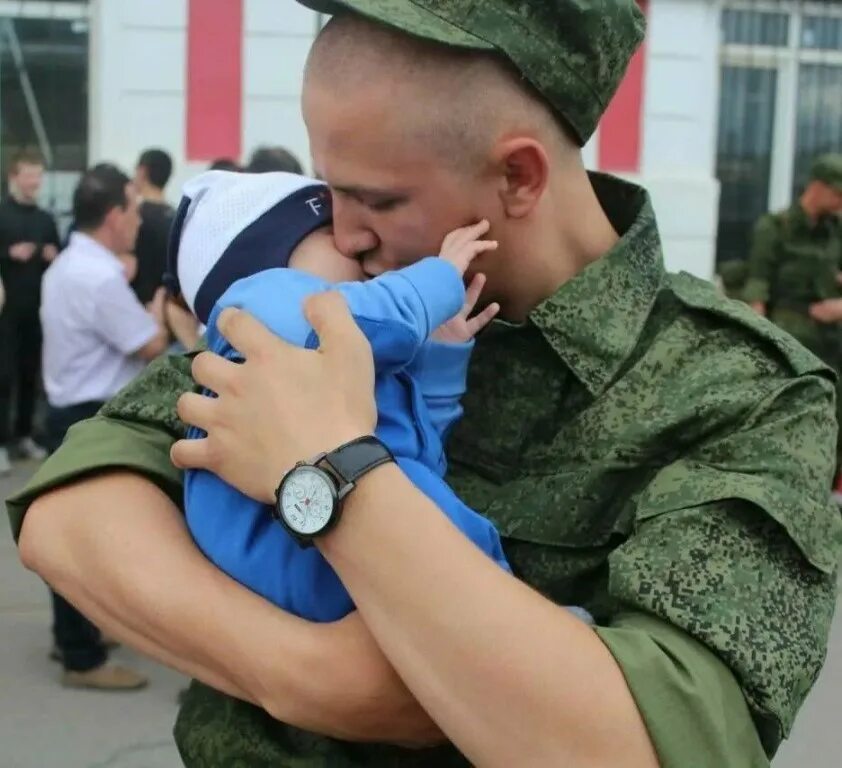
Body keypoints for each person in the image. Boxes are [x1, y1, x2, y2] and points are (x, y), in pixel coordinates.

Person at [8, 3, 841, 766]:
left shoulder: (745, 394)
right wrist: (317, 679)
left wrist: (327, 469)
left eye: (376, 199)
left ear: (518, 177)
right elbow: (71, 518)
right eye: (327, 187)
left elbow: (636, 746)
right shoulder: (333, 297)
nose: (339, 231)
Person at [172, 170, 517, 619]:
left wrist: (439, 356)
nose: (354, 245)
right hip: (297, 552)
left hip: (312, 561)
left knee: (433, 519)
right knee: (454, 542)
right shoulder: (259, 302)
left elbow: (413, 458)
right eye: (328, 233)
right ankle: (517, 627)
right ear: (271, 260)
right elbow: (364, 314)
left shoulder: (331, 362)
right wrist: (438, 278)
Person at [38, 163, 170, 690]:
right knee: (87, 538)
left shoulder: (69, 265)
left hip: (67, 411)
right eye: (134, 208)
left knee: (74, 530)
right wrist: (162, 309)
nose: (139, 218)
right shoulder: (98, 279)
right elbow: (149, 345)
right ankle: (81, 657)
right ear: (114, 215)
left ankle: (73, 633)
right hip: (90, 415)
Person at [744, 153, 842, 474]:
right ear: (817, 187)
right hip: (791, 331)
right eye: (838, 193)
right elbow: (757, 285)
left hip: (833, 334)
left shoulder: (836, 231)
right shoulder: (775, 227)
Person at [0, 149, 59, 473]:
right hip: (6, 312)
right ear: (14, 177)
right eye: (28, 174)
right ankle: (1, 442)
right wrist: (9, 254)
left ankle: (24, 435)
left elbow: (60, 254)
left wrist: (51, 253)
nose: (34, 181)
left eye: (38, 175)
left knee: (29, 375)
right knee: (3, 377)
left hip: (39, 310)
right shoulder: (2, 214)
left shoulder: (45, 219)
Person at [132, 148, 176, 305]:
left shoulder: (134, 218)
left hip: (140, 308)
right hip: (172, 308)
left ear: (142, 172)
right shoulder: (177, 217)